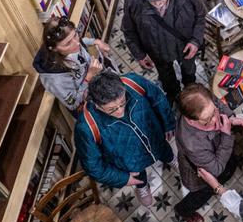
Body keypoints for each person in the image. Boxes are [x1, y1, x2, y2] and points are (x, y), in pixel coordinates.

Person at [75, 71, 176, 207]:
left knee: (164, 150)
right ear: (96, 104)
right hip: (129, 160)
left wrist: (168, 124)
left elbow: (158, 99)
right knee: (138, 175)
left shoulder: (133, 83)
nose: (120, 111)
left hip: (154, 136)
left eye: (123, 102)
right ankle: (142, 187)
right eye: (111, 109)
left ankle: (172, 160)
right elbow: (93, 166)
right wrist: (123, 178)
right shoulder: (86, 127)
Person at [121, 0, 206, 103]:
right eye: (152, 1)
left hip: (185, 46)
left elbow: (200, 16)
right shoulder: (132, 1)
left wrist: (196, 40)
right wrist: (140, 54)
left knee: (189, 71)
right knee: (166, 77)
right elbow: (129, 31)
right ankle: (174, 94)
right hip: (157, 51)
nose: (158, 4)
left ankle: (191, 91)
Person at [174, 84, 243, 222]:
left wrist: (231, 118)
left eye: (214, 112)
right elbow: (215, 169)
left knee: (227, 168)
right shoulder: (191, 143)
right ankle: (183, 210)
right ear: (191, 120)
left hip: (217, 151)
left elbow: (219, 105)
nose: (215, 120)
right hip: (202, 174)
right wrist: (227, 134)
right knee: (203, 193)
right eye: (207, 120)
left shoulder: (204, 101)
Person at [32, 16, 117, 111]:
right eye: (68, 43)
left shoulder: (73, 43)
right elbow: (74, 104)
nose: (77, 43)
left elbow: (80, 41)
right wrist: (89, 76)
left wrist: (95, 41)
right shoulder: (54, 79)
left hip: (98, 82)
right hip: (89, 103)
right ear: (55, 49)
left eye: (75, 34)